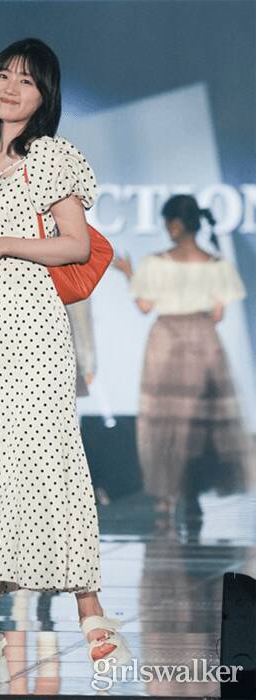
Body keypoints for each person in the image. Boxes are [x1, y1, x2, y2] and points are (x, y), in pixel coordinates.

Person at [0, 37, 130, 684]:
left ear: (45, 96)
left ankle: (92, 615)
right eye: (3, 74)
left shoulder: (49, 156)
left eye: (26, 80)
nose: (10, 87)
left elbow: (75, 246)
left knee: (50, 452)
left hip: (36, 321)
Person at [114, 194, 252, 524]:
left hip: (167, 340)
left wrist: (128, 273)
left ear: (175, 225)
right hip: (203, 339)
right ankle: (191, 493)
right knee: (199, 420)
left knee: (164, 419)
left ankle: (166, 496)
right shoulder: (217, 264)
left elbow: (145, 306)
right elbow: (217, 315)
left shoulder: (155, 264)